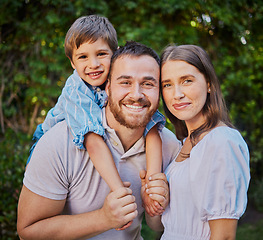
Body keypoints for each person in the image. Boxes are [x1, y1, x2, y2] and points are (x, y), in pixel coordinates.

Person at [17, 41, 181, 239]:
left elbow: (158, 227)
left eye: (148, 83)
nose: (136, 95)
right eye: (125, 82)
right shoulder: (61, 141)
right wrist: (103, 218)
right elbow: (28, 231)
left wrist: (155, 205)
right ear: (108, 87)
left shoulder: (169, 145)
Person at [27, 15, 165, 198]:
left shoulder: (119, 81)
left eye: (101, 54)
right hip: (51, 142)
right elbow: (92, 141)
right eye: (83, 57)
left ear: (114, 53)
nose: (94, 65)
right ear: (72, 62)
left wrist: (152, 185)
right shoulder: (76, 90)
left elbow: (152, 126)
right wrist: (119, 190)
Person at [146, 44, 250, 239]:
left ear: (209, 83)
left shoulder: (221, 141)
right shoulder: (182, 144)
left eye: (186, 81)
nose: (177, 94)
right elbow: (161, 226)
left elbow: (224, 236)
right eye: (167, 84)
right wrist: (151, 198)